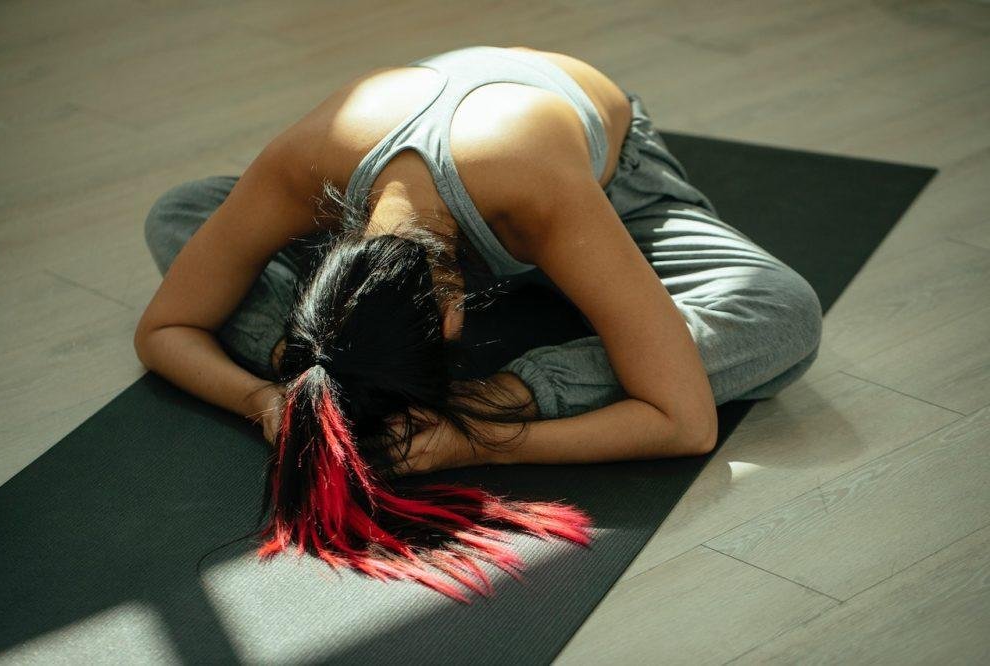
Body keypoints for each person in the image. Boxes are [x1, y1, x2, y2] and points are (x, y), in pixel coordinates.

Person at [137, 45, 822, 602]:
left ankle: (520, 376)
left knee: (779, 313)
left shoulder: (538, 188)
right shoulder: (305, 169)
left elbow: (685, 421)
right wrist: (267, 400)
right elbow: (163, 328)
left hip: (603, 188)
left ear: (453, 306)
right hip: (447, 190)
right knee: (183, 211)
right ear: (331, 262)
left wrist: (483, 434)